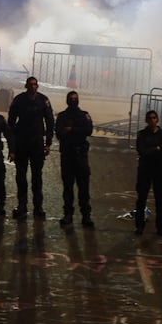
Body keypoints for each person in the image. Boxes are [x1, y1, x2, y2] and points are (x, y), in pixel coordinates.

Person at [7, 76, 54, 220]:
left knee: (37, 177)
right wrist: (13, 147)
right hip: (22, 143)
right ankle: (22, 206)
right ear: (26, 86)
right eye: (31, 85)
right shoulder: (19, 100)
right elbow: (11, 122)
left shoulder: (43, 100)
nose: (34, 87)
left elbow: (50, 121)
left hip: (37, 144)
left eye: (35, 84)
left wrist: (48, 143)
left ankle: (38, 207)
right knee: (21, 176)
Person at [53, 90, 94, 228]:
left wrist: (72, 129)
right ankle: (68, 214)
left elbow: (88, 130)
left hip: (80, 156)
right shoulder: (62, 116)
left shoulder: (84, 115)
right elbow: (59, 133)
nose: (73, 101)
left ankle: (86, 216)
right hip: (68, 156)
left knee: (83, 188)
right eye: (71, 98)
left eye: (75, 99)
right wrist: (74, 130)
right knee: (68, 187)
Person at [134, 109, 162, 236]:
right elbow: (141, 151)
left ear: (157, 119)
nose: (152, 120)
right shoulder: (142, 134)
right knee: (141, 199)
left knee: (160, 200)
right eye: (150, 118)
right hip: (145, 169)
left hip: (158, 170)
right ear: (146, 120)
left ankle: (160, 227)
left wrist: (152, 150)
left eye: (154, 118)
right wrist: (156, 149)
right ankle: (139, 226)